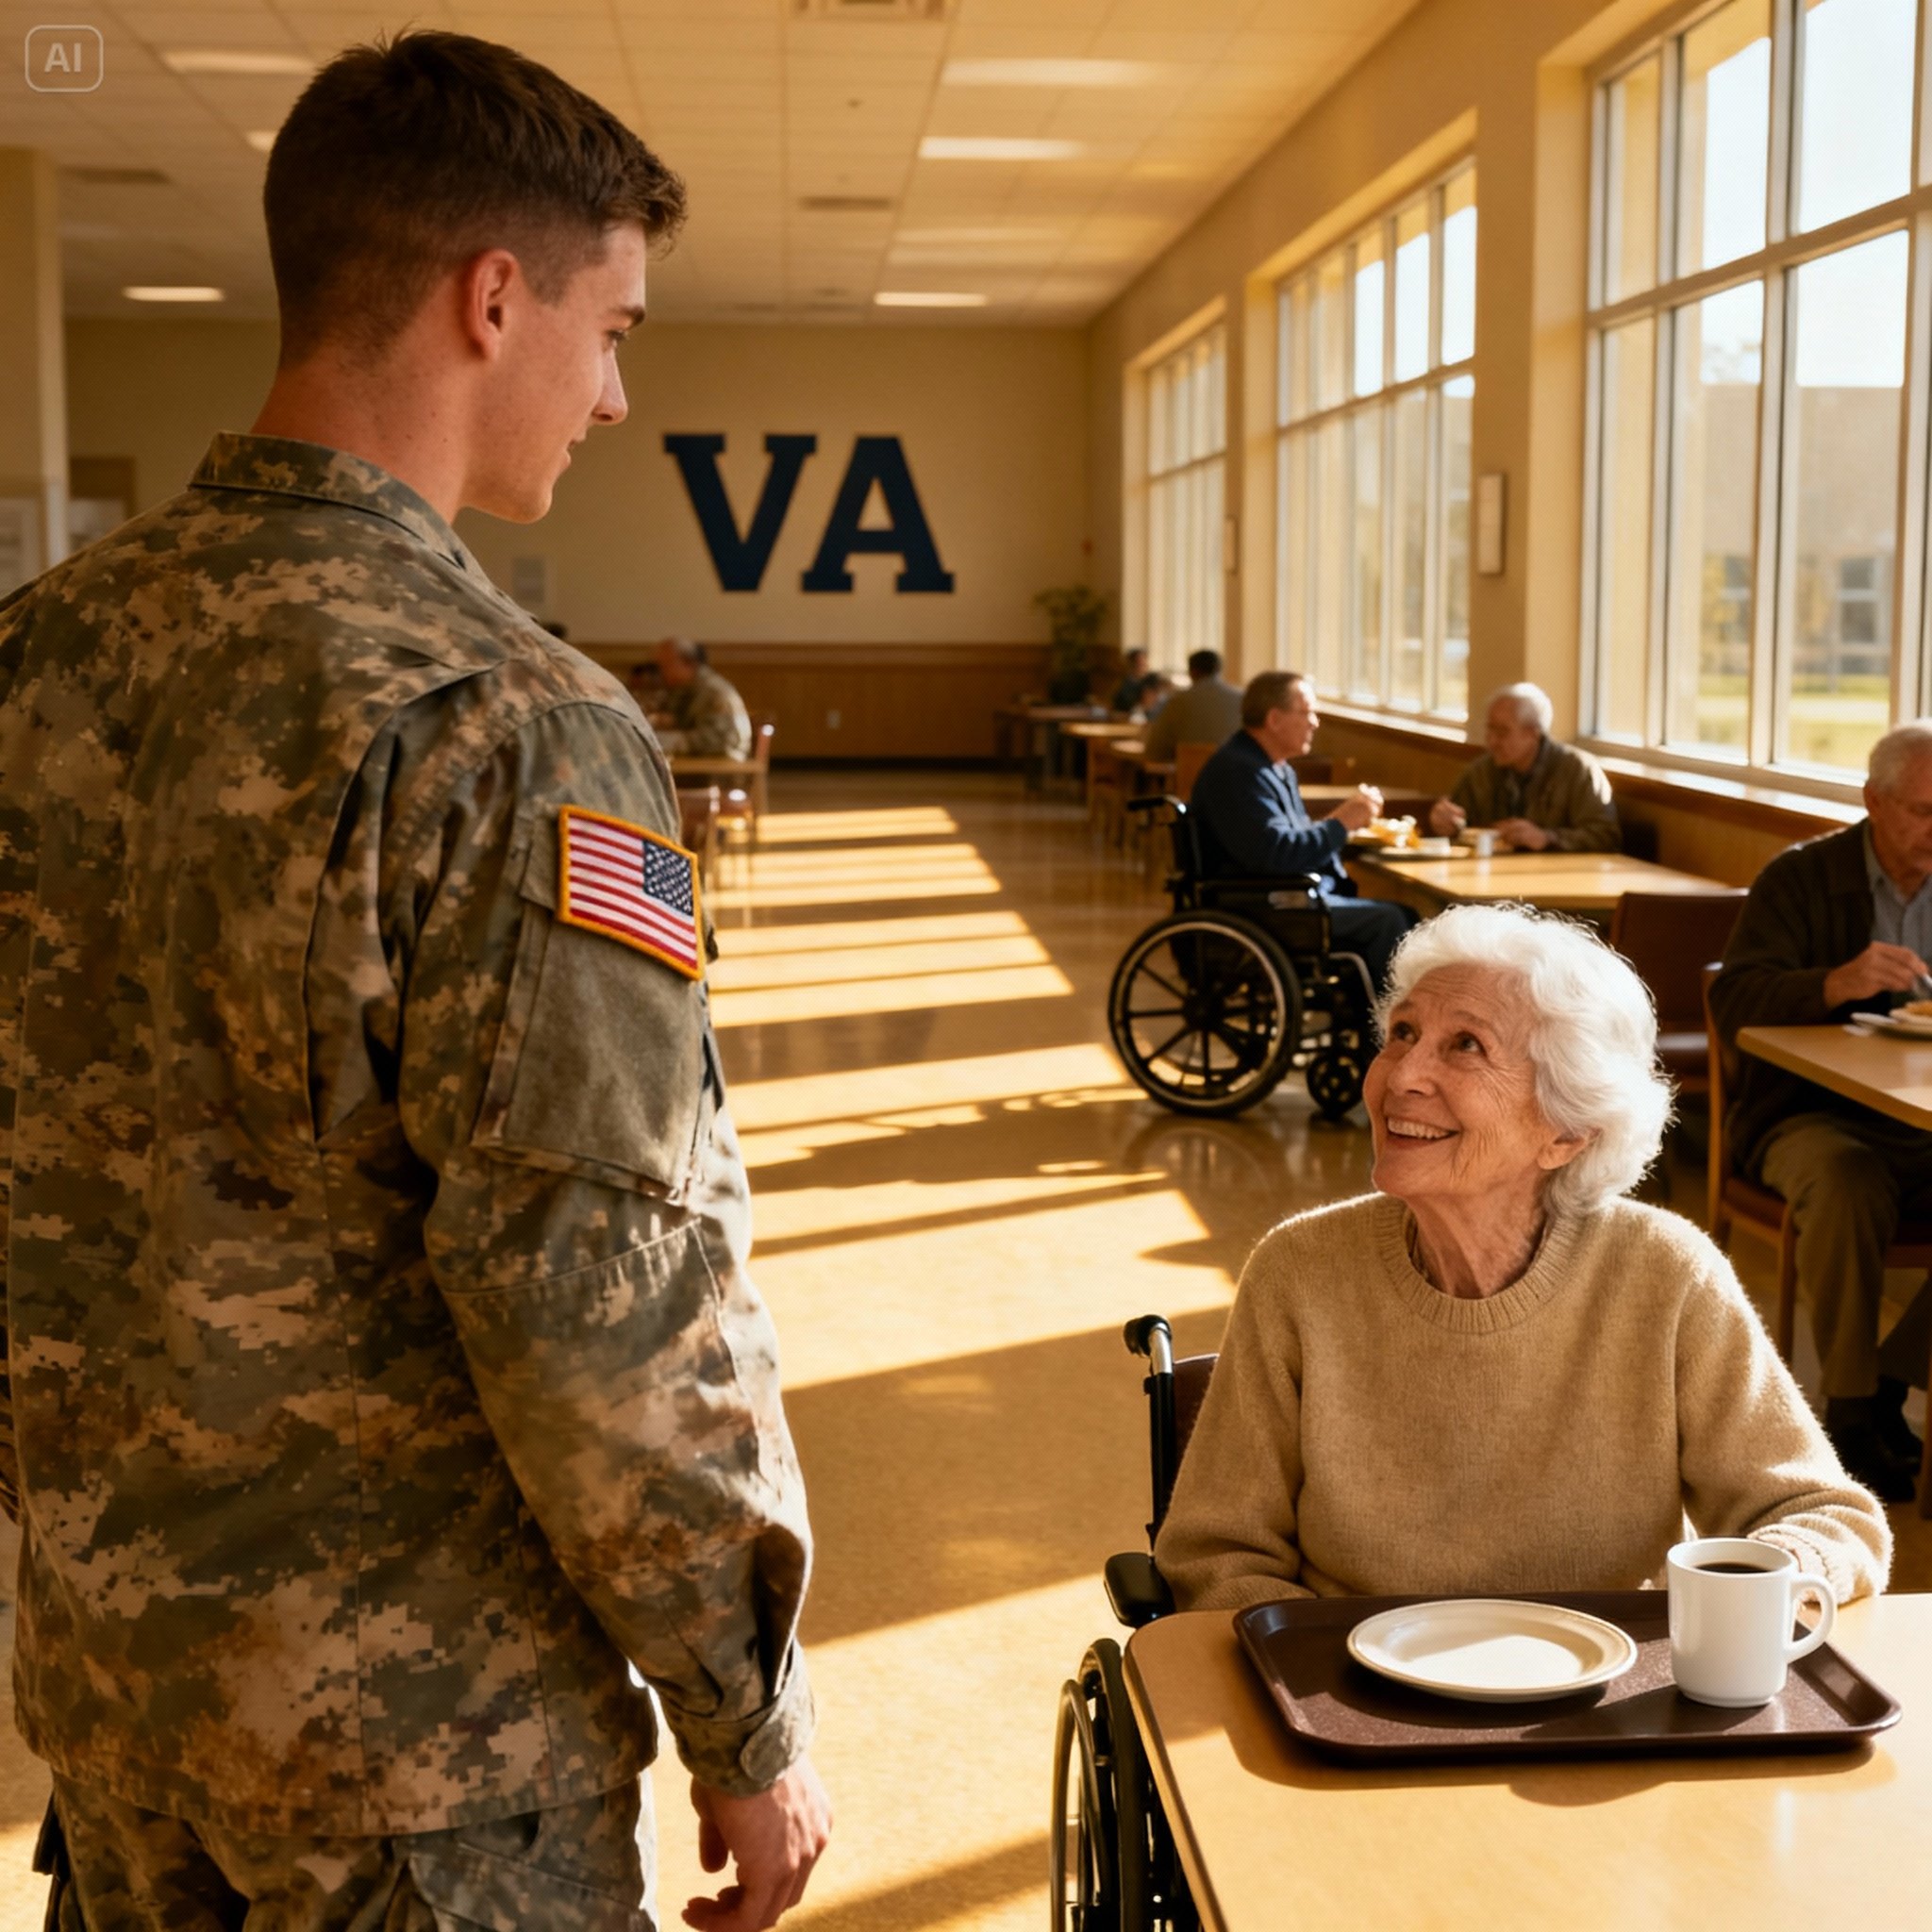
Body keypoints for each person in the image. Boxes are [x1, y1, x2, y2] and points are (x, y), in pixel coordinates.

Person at [0, 32, 828, 1932]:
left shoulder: (34, 662)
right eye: (612, 330)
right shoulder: (507, 721)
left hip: (119, 1720)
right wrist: (744, 1710)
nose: (616, 394)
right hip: (427, 1775)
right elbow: (596, 1289)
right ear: (490, 297)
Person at [1156, 906, 1890, 1611]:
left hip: (1601, 1710)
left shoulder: (1663, 1274)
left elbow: (1825, 1515)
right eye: (1403, 1032)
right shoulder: (1300, 1270)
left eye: (1465, 1045)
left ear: (1567, 1132)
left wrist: (1768, 1579)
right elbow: (1215, 1552)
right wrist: (1310, 1668)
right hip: (1347, 1702)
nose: (1402, 1076)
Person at [1709, 720, 1932, 1501]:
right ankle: (1846, 1412)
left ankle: (1889, 1382)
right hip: (1809, 1112)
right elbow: (1732, 997)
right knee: (1846, 1182)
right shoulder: (1802, 878)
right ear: (1874, 801)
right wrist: (1833, 984)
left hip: (1919, 1116)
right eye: (1924, 812)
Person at [1188, 671, 1418, 991]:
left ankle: (1372, 1017)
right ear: (1274, 719)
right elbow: (1277, 853)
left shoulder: (1272, 767)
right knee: (1391, 922)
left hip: (1283, 896)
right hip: (1264, 905)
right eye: (1307, 712)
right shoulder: (1239, 772)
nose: (1315, 722)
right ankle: (1382, 1030)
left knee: (1406, 916)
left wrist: (1342, 825)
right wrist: (1341, 824)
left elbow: (1289, 840)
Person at [1427, 682, 1620, 852]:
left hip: (1557, 880)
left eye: (1502, 732)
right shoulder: (1480, 772)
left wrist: (1546, 838)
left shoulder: (1577, 769)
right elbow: (1459, 824)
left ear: (1533, 734)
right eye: (1490, 729)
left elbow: (1606, 836)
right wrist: (1445, 823)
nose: (1492, 741)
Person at [657, 636, 754, 760]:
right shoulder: (685, 688)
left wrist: (669, 740)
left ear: (688, 663)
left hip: (723, 761)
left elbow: (717, 740)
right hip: (705, 756)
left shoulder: (712, 691)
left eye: (667, 665)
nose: (662, 673)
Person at [1141, 648, 1243, 763]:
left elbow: (1154, 752)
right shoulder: (1243, 699)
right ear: (1220, 669)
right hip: (1236, 774)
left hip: (1190, 777)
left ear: (1192, 672)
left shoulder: (1178, 702)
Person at [1109, 647, 1156, 714]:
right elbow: (1113, 703)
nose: (1142, 666)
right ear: (1130, 664)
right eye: (1138, 663)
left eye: (1143, 663)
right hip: (1123, 717)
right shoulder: (1123, 681)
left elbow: (1148, 704)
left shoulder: (1152, 680)